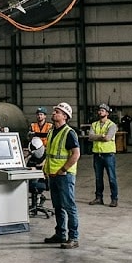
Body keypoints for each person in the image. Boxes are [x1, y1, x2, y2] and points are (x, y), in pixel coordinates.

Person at [42, 102, 81, 249]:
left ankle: (73, 238)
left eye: (57, 112)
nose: (54, 114)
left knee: (69, 206)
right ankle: (60, 234)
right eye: (54, 112)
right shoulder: (52, 131)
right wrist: (46, 168)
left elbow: (76, 154)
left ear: (65, 116)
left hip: (65, 175)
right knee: (57, 206)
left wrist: (64, 169)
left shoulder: (69, 133)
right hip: (53, 174)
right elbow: (50, 153)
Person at [88, 103, 119, 207]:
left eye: (102, 110)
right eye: (99, 110)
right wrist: (101, 135)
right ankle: (98, 198)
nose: (100, 112)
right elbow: (90, 137)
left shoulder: (112, 125)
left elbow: (108, 138)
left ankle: (114, 199)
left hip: (108, 155)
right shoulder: (94, 124)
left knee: (111, 178)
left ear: (107, 113)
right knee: (98, 178)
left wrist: (98, 137)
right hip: (97, 155)